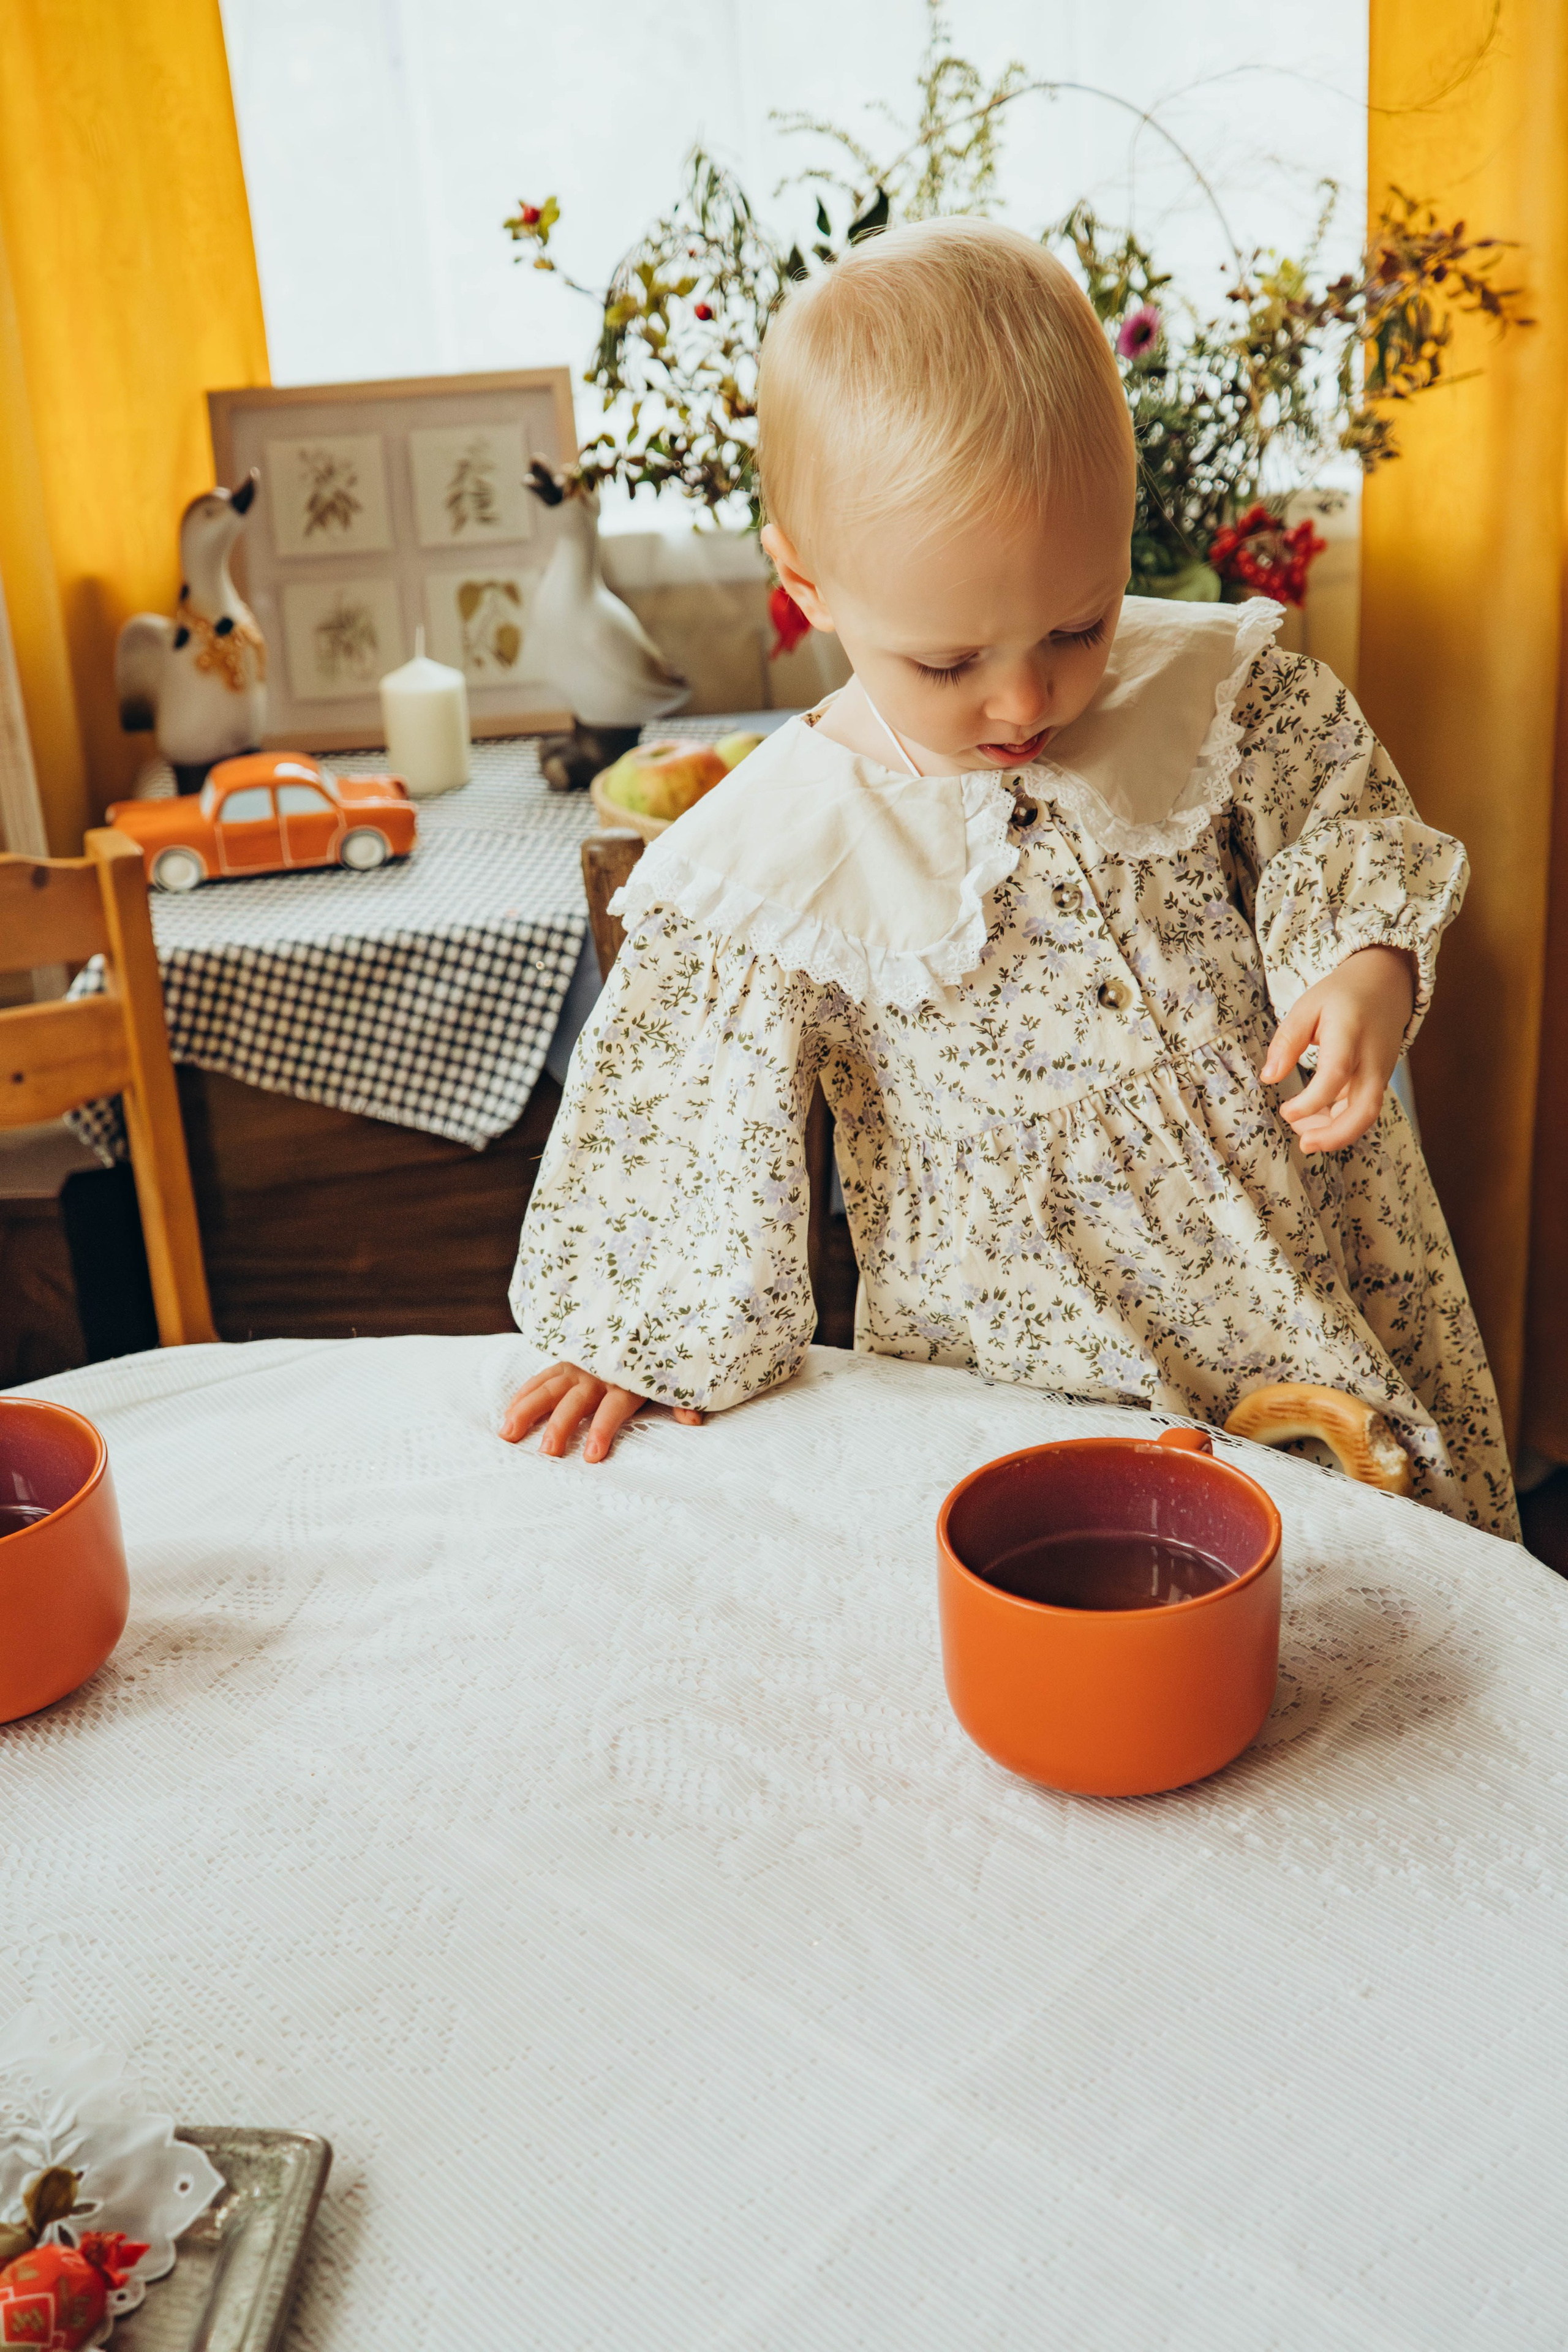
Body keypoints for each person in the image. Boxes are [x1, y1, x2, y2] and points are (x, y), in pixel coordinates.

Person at [502, 216, 1517, 1539]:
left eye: (1076, 626)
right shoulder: (776, 859)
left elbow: (1338, 823)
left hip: (1307, 1282)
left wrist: (1361, 964)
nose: (1026, 698)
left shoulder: (1217, 695)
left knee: (1380, 1584)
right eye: (947, 662)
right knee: (1093, 1594)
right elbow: (689, 1125)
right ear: (807, 585)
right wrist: (640, 1322)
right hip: (1033, 1361)